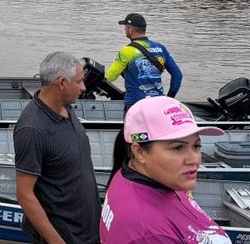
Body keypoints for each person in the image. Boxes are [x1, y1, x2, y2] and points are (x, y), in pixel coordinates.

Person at [100, 96, 229, 243]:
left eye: (196, 146)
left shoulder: (149, 176)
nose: (195, 159)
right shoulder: (150, 233)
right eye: (178, 148)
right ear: (139, 152)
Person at [13, 51, 101, 244]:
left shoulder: (66, 107)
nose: (83, 87)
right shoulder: (32, 128)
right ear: (61, 83)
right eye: (79, 81)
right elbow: (24, 194)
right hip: (65, 236)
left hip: (89, 230)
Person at [106, 13, 183, 113]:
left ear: (130, 29)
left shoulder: (126, 51)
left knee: (133, 129)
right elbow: (178, 75)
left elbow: (110, 77)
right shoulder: (160, 48)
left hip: (135, 105)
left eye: (125, 27)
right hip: (157, 104)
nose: (124, 30)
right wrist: (169, 98)